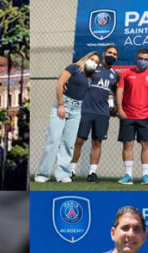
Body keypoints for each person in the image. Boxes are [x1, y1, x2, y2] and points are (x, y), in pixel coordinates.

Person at [35, 52, 100, 183]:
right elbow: (60, 84)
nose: (94, 63)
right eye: (92, 59)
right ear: (85, 58)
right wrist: (60, 105)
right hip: (63, 105)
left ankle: (63, 174)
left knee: (68, 143)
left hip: (76, 110)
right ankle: (42, 174)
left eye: (97, 62)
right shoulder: (73, 68)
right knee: (53, 140)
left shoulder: (90, 77)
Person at [70, 45, 120, 183]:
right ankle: (71, 170)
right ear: (104, 54)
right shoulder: (93, 67)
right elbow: (77, 79)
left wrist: (116, 107)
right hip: (85, 110)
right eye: (110, 52)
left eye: (115, 54)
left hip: (102, 113)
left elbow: (115, 92)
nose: (112, 55)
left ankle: (92, 173)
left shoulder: (115, 75)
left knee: (97, 142)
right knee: (79, 140)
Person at [115, 49, 148, 185]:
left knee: (146, 144)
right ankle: (128, 175)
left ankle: (145, 176)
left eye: (146, 59)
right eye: (141, 58)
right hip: (128, 115)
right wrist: (120, 109)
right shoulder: (126, 73)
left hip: (145, 117)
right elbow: (120, 91)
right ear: (136, 58)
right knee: (127, 144)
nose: (143, 61)